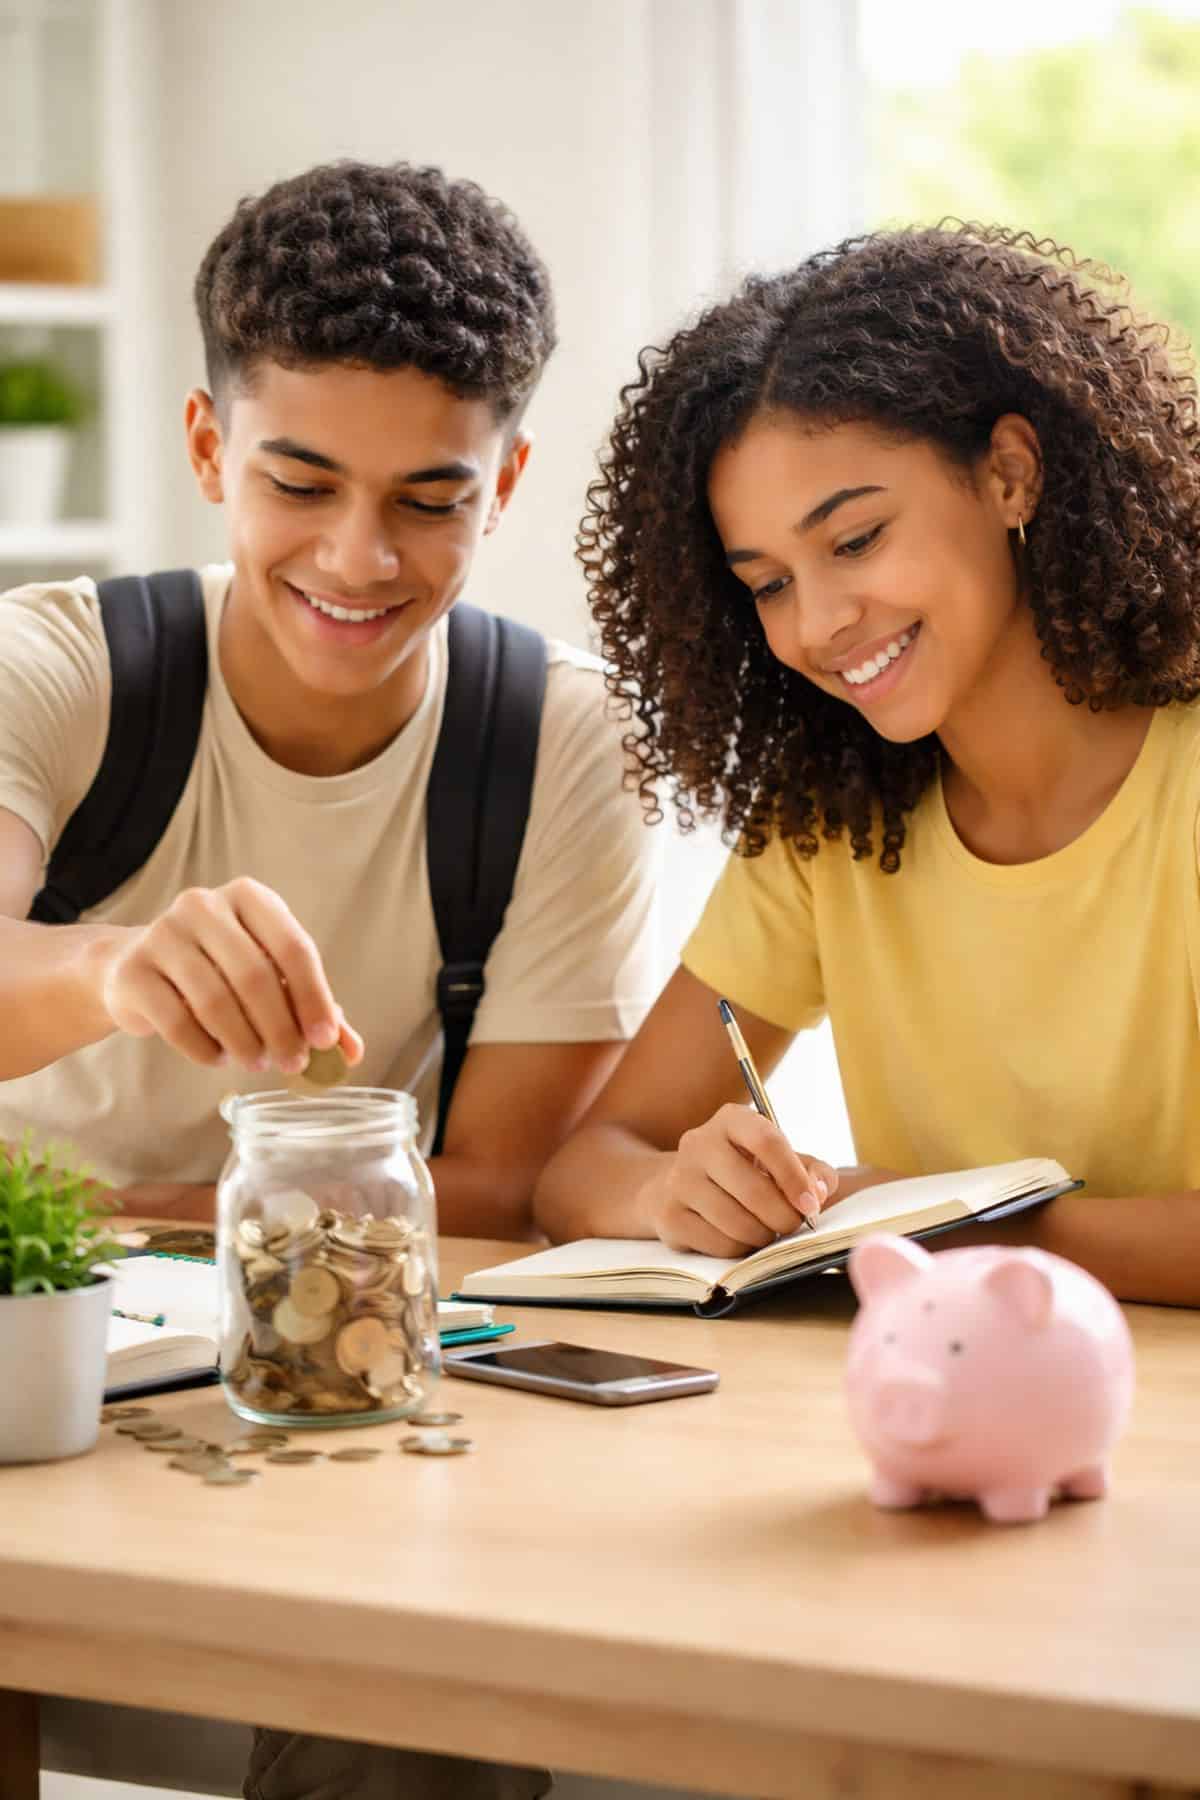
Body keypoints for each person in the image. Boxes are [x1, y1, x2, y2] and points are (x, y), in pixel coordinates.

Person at [2, 159, 660, 1798]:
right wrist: (112, 968)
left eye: (429, 498)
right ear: (210, 447)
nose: (358, 559)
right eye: (299, 482)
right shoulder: (62, 672)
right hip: (40, 1374)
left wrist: (183, 1209)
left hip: (340, 1387)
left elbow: (503, 1186)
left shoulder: (561, 745)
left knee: (420, 1720)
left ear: (505, 481)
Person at [535, 224, 1200, 1309]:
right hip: (939, 1416)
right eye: (768, 584)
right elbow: (586, 1163)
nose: (821, 625)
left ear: (1010, 475)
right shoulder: (836, 824)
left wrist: (945, 1227)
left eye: (853, 542)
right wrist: (673, 1193)